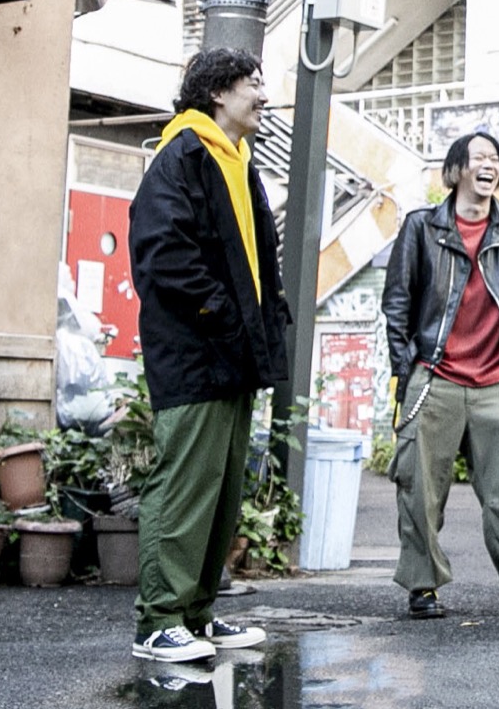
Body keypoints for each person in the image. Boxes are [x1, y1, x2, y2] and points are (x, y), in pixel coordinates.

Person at [128, 48, 290, 662]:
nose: (264, 95)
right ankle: (158, 622)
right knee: (185, 487)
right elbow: (162, 255)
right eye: (254, 83)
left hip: (231, 355)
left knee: (219, 493)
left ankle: (195, 613)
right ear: (218, 92)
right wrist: (222, 314)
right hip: (195, 355)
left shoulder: (236, 161)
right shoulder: (183, 156)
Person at [381, 130, 499, 619]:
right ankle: (422, 585)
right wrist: (407, 369)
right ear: (456, 169)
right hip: (435, 375)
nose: (490, 165)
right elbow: (397, 302)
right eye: (479, 157)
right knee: (419, 489)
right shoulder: (422, 227)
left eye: (495, 158)